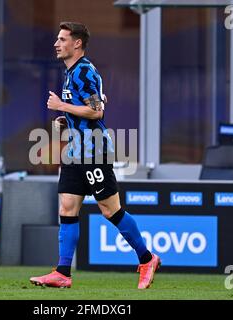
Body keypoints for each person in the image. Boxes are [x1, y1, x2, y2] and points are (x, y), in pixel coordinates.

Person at [30, 22, 161, 289]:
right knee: (67, 208)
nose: (56, 43)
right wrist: (65, 118)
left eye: (62, 39)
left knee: (109, 210)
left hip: (94, 151)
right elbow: (86, 108)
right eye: (57, 38)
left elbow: (97, 111)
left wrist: (61, 105)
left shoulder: (85, 71)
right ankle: (63, 272)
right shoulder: (70, 72)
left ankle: (147, 259)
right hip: (74, 152)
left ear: (77, 43)